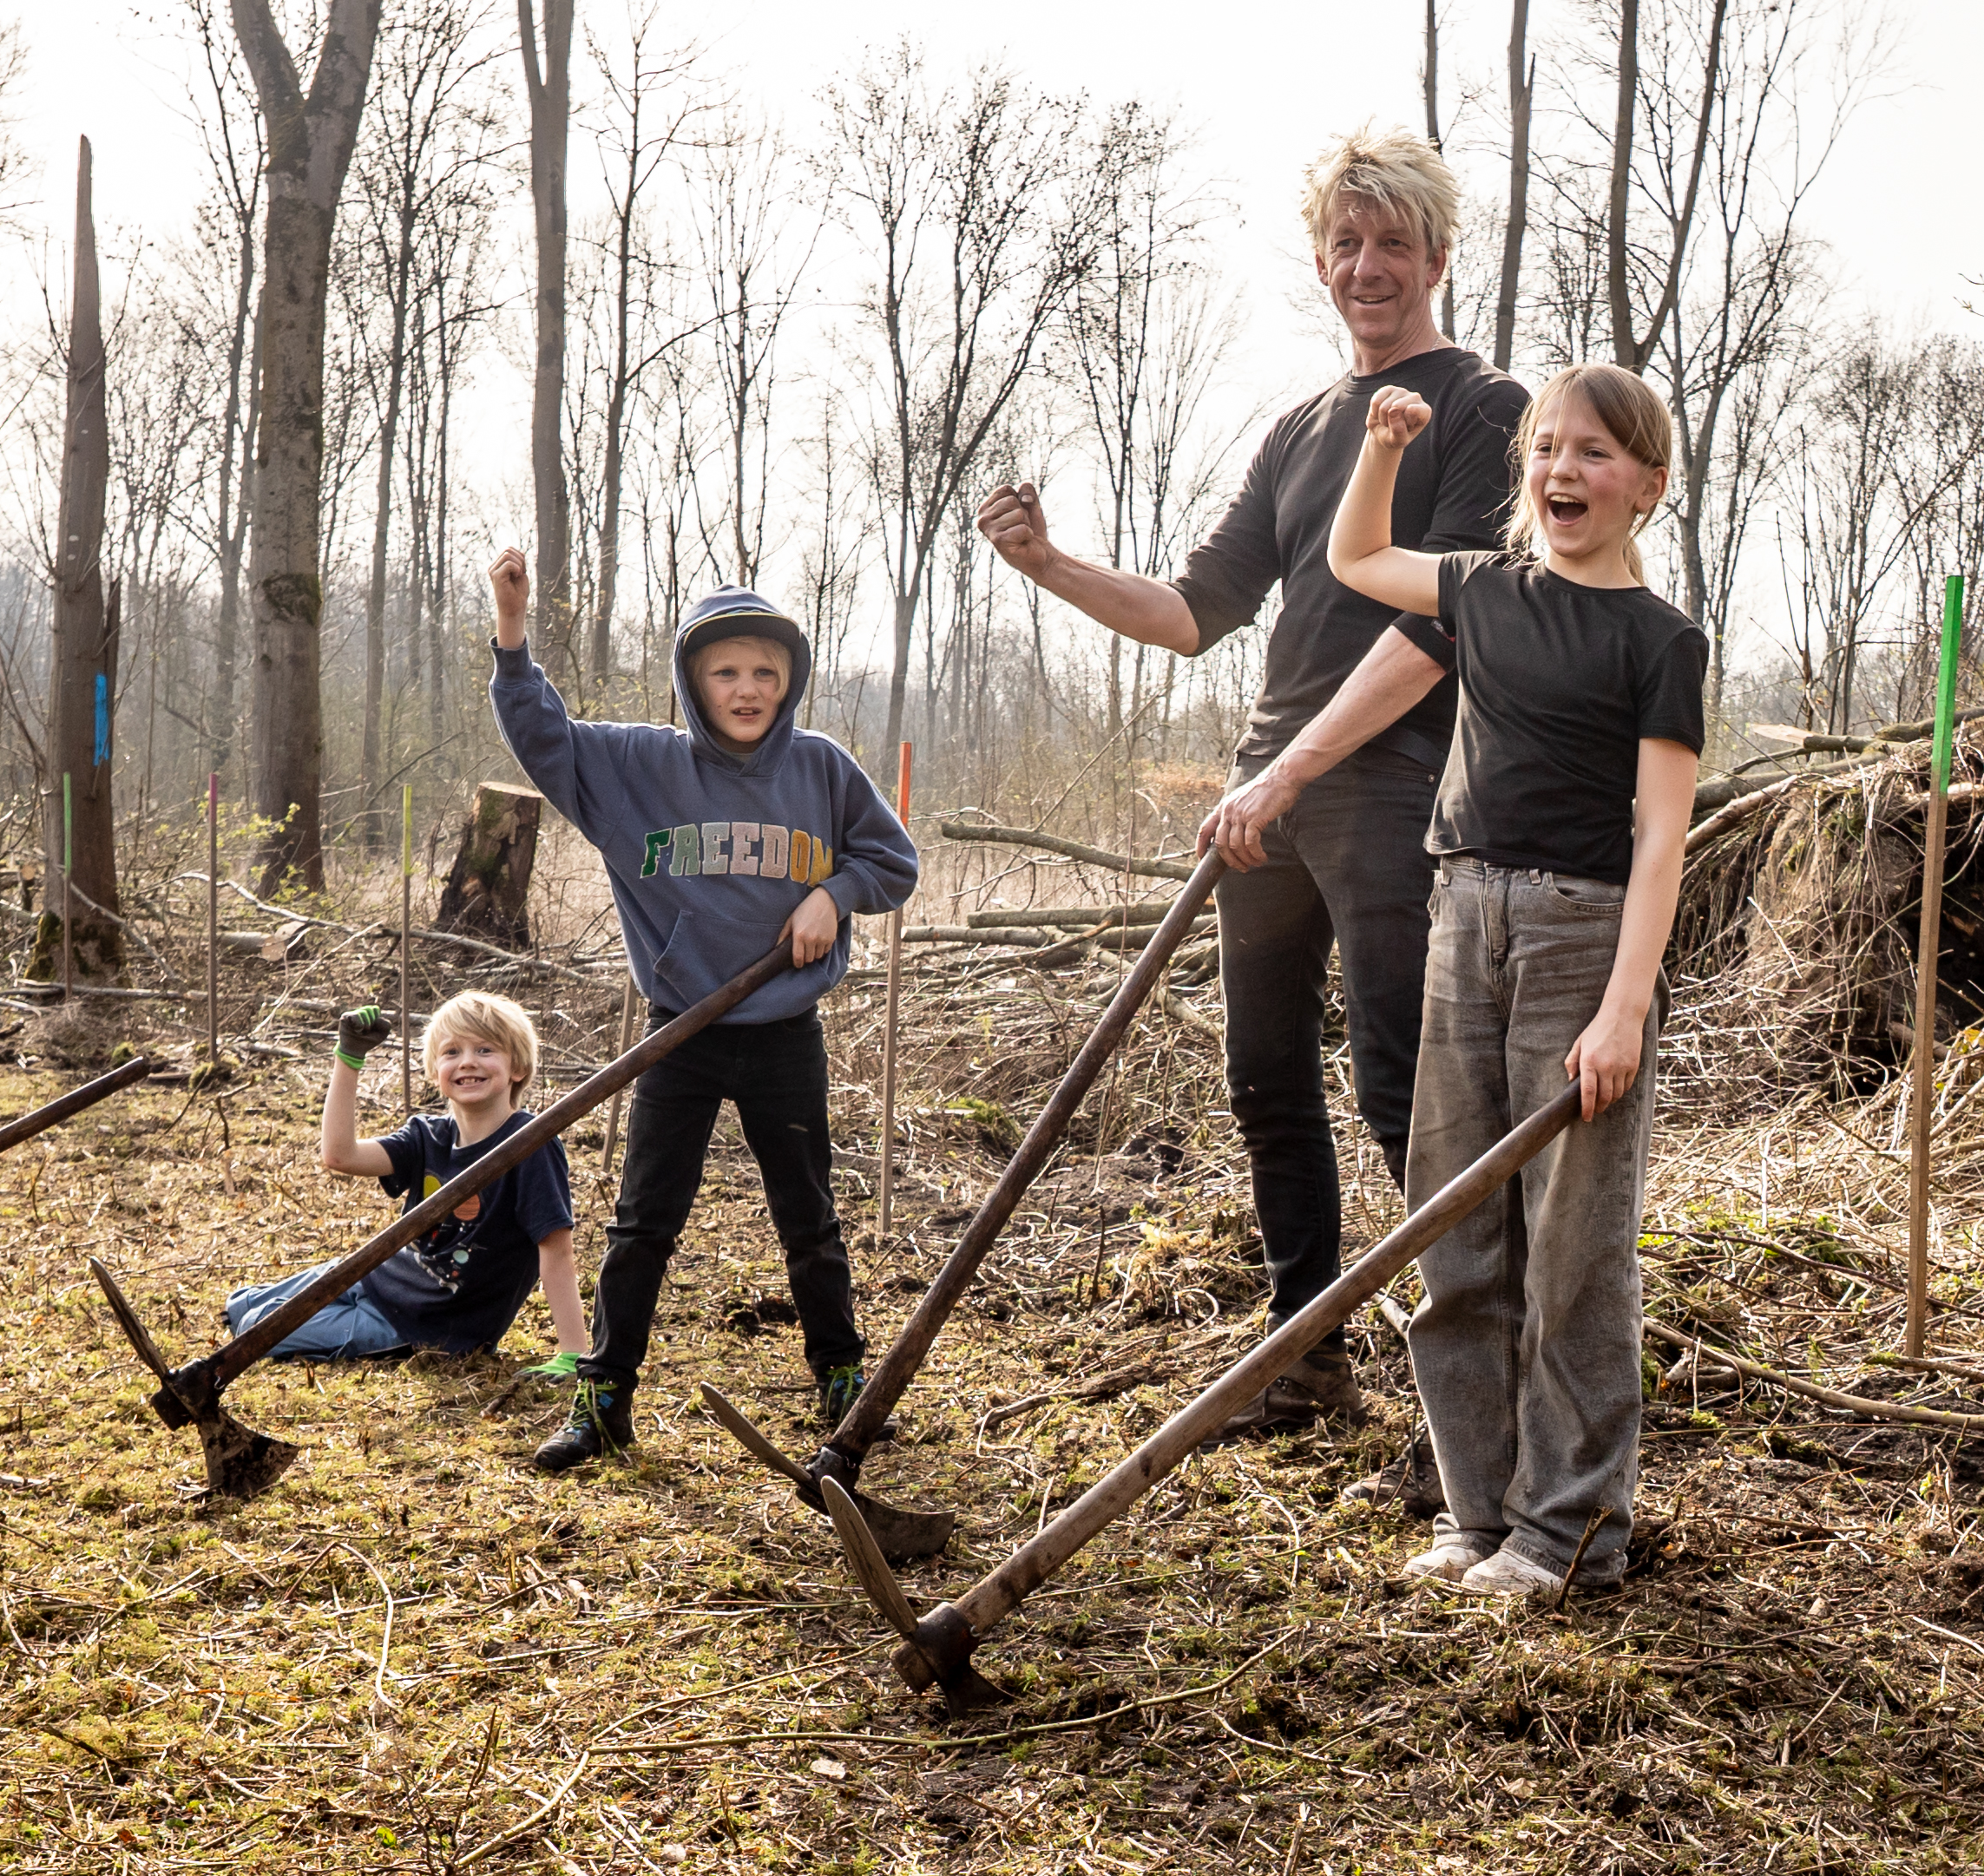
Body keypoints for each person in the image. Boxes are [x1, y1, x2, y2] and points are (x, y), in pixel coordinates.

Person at [976, 127, 1526, 1437]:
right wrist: (1050, 564)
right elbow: (1194, 607)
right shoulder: (1298, 429)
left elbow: (1435, 625)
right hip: (1268, 799)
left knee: (1406, 1091)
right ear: (1322, 260)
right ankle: (1306, 1359)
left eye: (1394, 241)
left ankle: (1487, 1390)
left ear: (1439, 256)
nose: (1367, 264)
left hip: (1392, 790)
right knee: (1267, 1082)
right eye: (1346, 241)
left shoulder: (1485, 408)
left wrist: (1290, 771)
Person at [1324, 361, 1706, 1597]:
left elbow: (1661, 837)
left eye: (1594, 453)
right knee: (1452, 1224)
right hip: (1463, 915)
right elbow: (1358, 558)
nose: (1561, 471)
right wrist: (1381, 446)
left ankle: (1568, 1531)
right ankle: (1474, 1513)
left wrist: (1624, 1007)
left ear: (1646, 483)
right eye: (1546, 447)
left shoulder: (1660, 640)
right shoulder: (1485, 591)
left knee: (1575, 1249)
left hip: (1581, 936)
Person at [484, 549, 921, 1473]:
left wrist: (834, 893)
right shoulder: (638, 767)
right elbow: (543, 738)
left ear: (790, 680)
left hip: (783, 1034)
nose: (748, 687)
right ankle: (604, 1400)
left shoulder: (823, 771)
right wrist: (513, 635)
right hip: (678, 1031)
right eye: (726, 670)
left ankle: (844, 1381)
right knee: (644, 1218)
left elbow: (897, 862)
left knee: (808, 1215)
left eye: (767, 671)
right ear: (692, 679)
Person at [223, 990, 586, 1376]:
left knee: (254, 1330)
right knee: (239, 1307)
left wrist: (573, 1354)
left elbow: (557, 1250)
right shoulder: (428, 1136)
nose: (467, 1062)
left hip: (424, 1323)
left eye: (485, 1050)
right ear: (434, 1072)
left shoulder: (531, 1143)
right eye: (451, 1052)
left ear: (517, 1067)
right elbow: (340, 1155)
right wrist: (348, 1059)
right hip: (373, 1276)